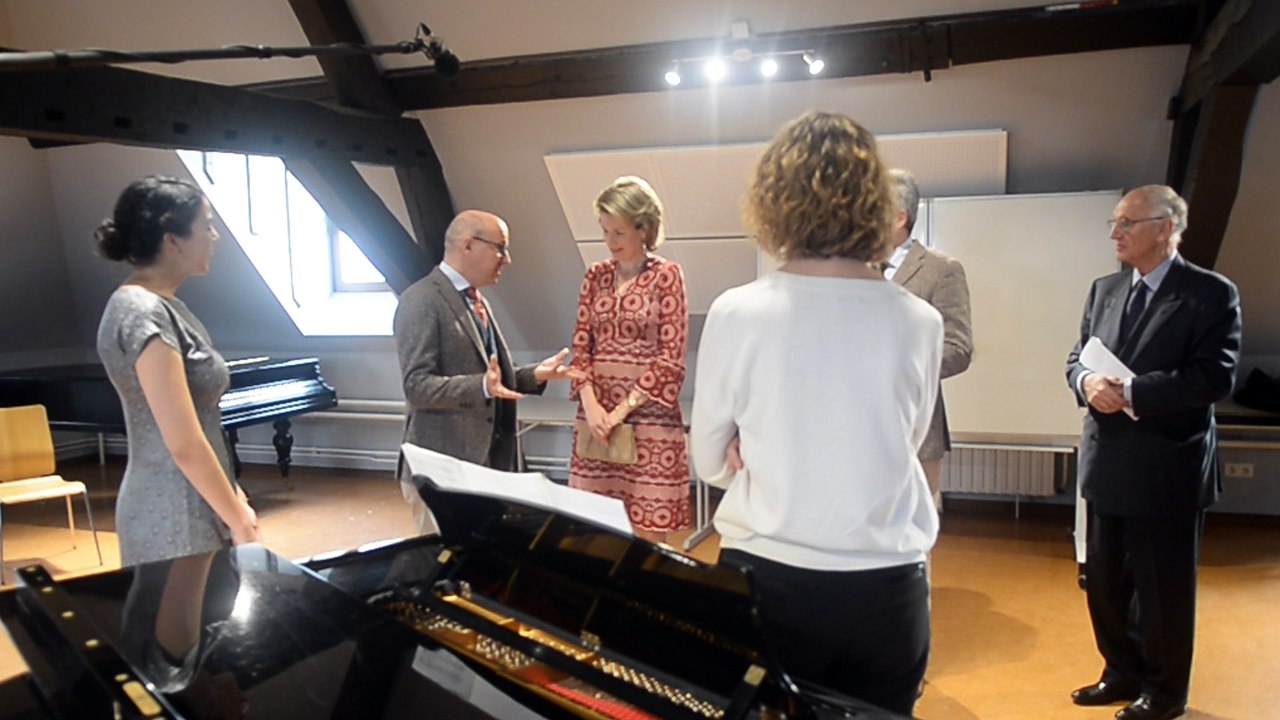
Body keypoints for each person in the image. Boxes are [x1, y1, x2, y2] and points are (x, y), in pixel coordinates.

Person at [690, 111, 942, 716]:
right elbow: (903, 442)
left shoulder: (737, 311)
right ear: (876, 205)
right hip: (890, 586)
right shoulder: (919, 320)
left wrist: (753, 454)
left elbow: (708, 460)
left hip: (768, 579)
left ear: (774, 203)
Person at [1065, 185, 1241, 720]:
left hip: (1167, 463)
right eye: (1114, 222)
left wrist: (1134, 392)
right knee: (1105, 582)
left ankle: (1165, 694)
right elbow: (1077, 357)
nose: (1115, 233)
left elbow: (1214, 377)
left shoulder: (1210, 293)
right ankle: (1121, 671)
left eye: (1128, 223)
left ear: (1166, 228)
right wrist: (1087, 381)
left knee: (1163, 589)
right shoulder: (1105, 289)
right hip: (1107, 460)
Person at [95, 176, 260, 567]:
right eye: (207, 226)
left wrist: (233, 496)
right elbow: (183, 441)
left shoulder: (162, 306)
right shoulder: (143, 312)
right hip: (173, 510)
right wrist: (239, 522)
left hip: (193, 499)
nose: (215, 237)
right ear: (173, 240)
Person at [393, 210, 581, 533]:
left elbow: (494, 380)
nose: (507, 259)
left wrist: (535, 375)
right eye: (500, 248)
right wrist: (479, 386)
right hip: (441, 470)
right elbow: (417, 386)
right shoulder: (421, 300)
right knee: (445, 560)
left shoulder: (476, 300)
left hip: (484, 467)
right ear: (468, 245)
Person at [567, 176, 691, 544]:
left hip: (648, 419)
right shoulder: (595, 275)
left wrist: (621, 412)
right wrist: (593, 408)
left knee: (649, 533)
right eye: (605, 232)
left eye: (619, 232)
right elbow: (580, 346)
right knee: (594, 529)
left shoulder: (667, 275)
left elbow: (671, 356)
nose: (611, 241)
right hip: (596, 418)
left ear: (644, 229)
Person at [885, 169, 973, 509]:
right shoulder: (851, 270)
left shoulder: (941, 269)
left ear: (899, 217)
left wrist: (898, 366)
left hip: (916, 430)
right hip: (854, 430)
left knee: (911, 528)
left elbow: (957, 349)